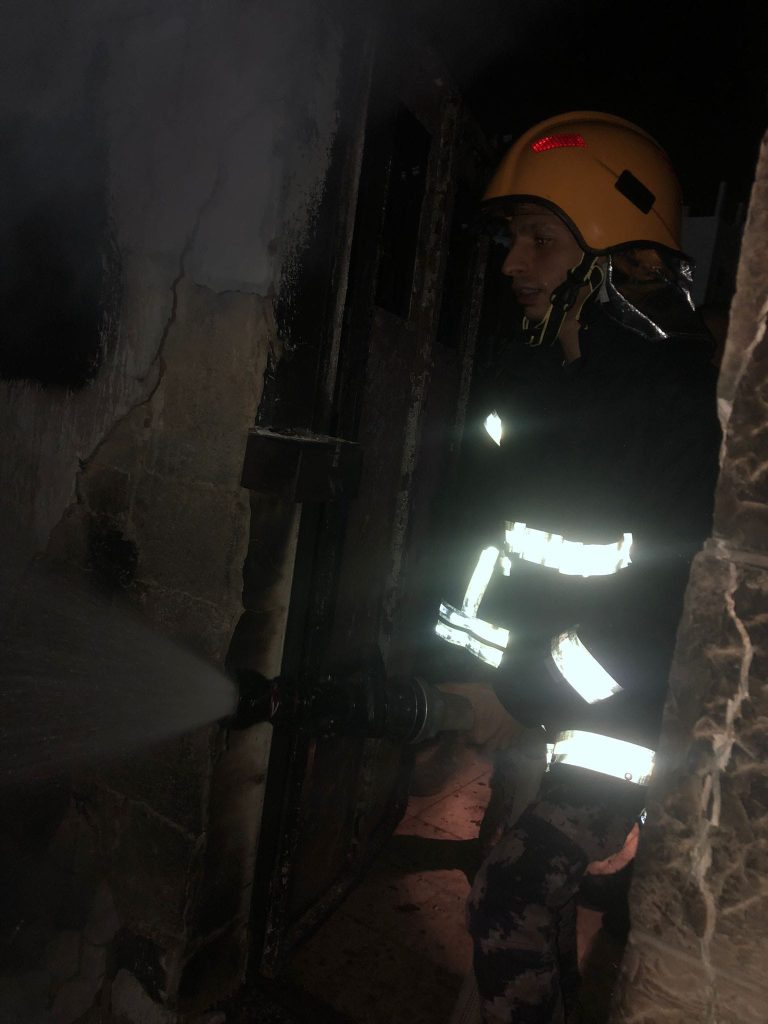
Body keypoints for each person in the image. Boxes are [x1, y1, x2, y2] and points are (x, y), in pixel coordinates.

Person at [431, 111, 722, 1022]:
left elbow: (656, 618)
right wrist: (457, 669)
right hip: (525, 708)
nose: (513, 263)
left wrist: (515, 691)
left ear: (610, 259)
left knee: (508, 900)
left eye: (541, 240)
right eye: (512, 238)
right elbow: (483, 545)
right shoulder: (522, 385)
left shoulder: (675, 407)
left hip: (623, 731)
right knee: (531, 913)